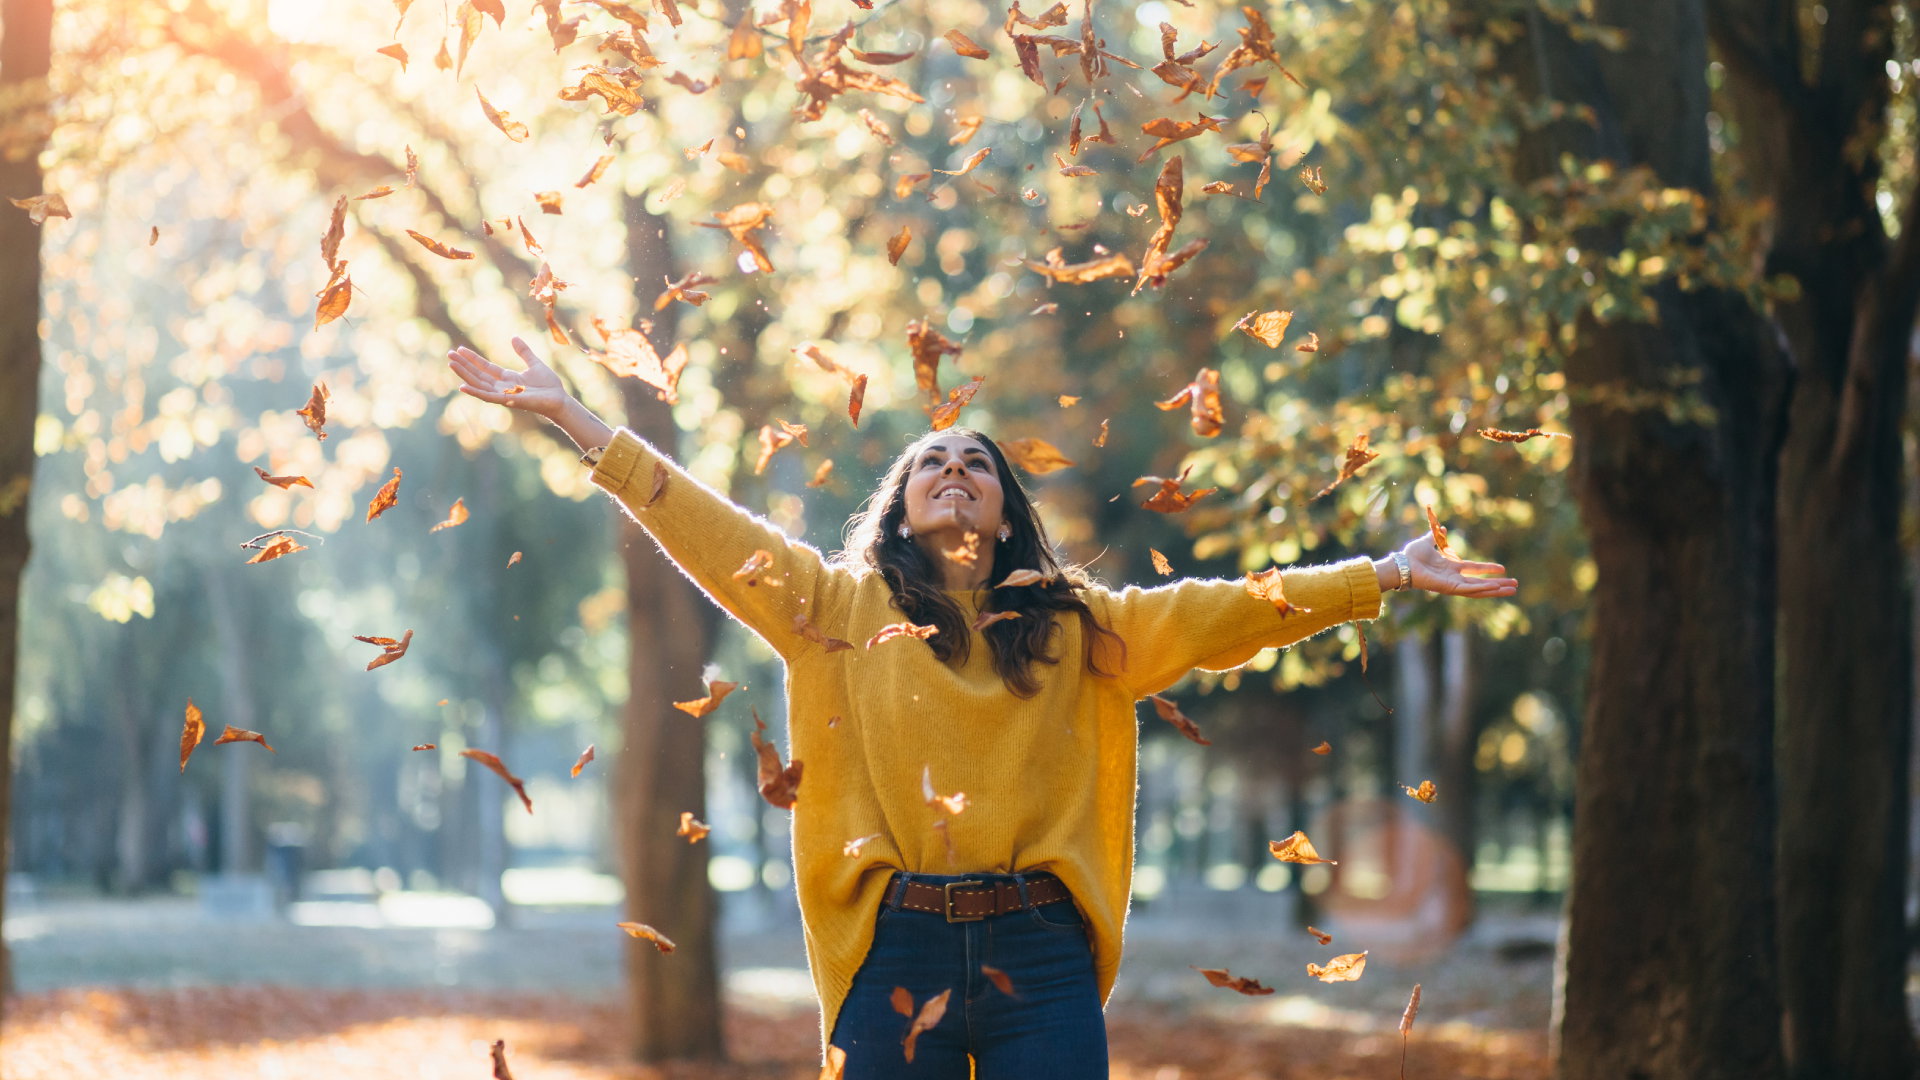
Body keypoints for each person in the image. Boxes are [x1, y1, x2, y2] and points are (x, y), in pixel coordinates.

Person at [448, 337, 1518, 1079]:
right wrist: (574, 417)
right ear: (900, 508)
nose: (953, 468)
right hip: (892, 947)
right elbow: (706, 527)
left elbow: (1231, 610)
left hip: (1041, 955)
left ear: (1004, 514)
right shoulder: (832, 609)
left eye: (976, 464)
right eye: (931, 462)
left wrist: (1387, 572)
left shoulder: (1078, 626)